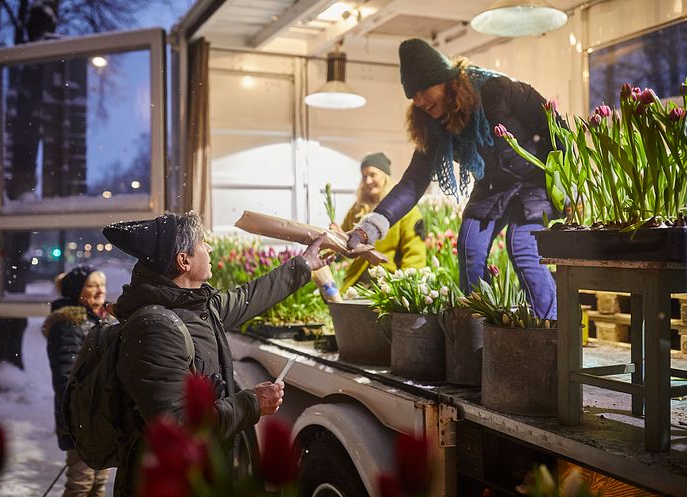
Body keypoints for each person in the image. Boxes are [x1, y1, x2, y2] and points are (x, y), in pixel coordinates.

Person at [101, 211, 332, 497]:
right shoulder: (154, 328)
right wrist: (252, 403)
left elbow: (249, 297)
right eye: (202, 243)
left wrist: (304, 265)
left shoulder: (196, 306)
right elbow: (180, 426)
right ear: (183, 261)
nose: (209, 248)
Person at [346, 38, 558, 320]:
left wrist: (566, 183)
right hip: (492, 186)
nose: (419, 101)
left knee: (523, 251)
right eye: (413, 96)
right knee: (471, 251)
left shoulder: (496, 89)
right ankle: (480, 332)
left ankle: (550, 330)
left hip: (536, 181)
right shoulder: (433, 125)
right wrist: (369, 228)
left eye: (423, 91)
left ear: (445, 80)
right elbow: (412, 183)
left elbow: (552, 124)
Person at [43, 265, 111, 497]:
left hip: (100, 415)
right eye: (92, 286)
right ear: (76, 292)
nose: (100, 290)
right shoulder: (68, 325)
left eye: (101, 284)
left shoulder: (97, 320)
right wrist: (81, 416)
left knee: (98, 481)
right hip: (82, 417)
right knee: (81, 483)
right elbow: (65, 377)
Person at [334, 152, 426, 291]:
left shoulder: (406, 211)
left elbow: (414, 254)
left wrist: (406, 288)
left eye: (372, 175)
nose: (368, 181)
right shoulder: (357, 209)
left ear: (385, 176)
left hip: (389, 283)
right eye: (364, 176)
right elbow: (345, 244)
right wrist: (337, 236)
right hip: (357, 284)